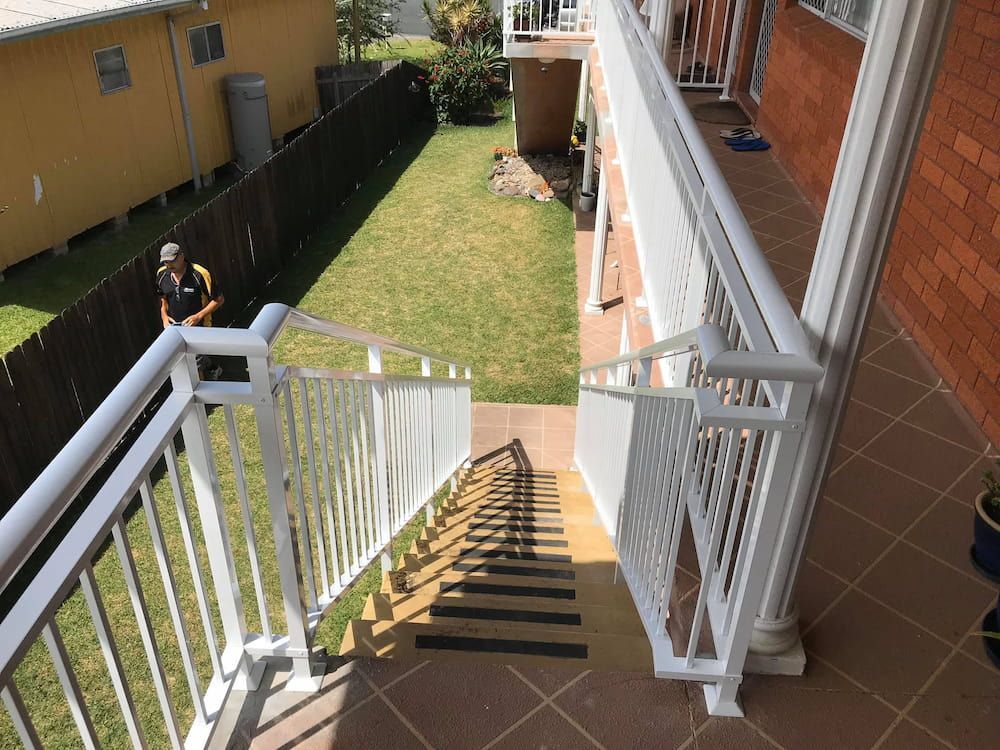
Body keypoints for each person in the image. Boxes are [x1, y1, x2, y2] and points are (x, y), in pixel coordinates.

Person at [156, 242, 225, 378]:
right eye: (165, 262)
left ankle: (202, 389)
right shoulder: (162, 274)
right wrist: (164, 316)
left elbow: (219, 299)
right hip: (175, 327)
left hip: (199, 326)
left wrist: (198, 316)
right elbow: (163, 297)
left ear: (181, 256)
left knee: (194, 365)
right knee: (188, 357)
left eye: (172, 261)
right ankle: (213, 368)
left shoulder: (200, 274)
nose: (168, 265)